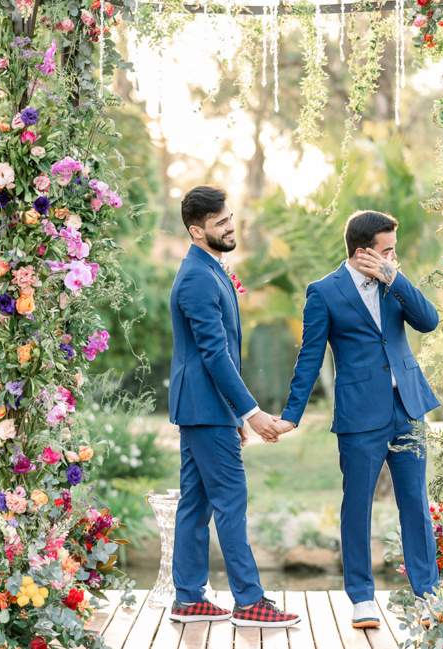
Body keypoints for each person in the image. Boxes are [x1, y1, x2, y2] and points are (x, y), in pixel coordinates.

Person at [276, 210, 441, 628]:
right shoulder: (324, 292)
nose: (393, 257)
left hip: (408, 409)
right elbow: (310, 358)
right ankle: (362, 599)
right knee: (357, 506)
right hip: (359, 417)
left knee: (416, 505)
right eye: (387, 251)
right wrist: (292, 416)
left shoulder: (393, 283)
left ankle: (428, 593)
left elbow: (429, 320)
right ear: (363, 251)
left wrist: (395, 278)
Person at [166, 185, 299, 628]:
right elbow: (214, 353)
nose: (230, 225)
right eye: (220, 222)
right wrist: (250, 412)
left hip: (206, 407)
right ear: (196, 230)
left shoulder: (210, 269)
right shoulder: (198, 277)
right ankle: (250, 601)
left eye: (230, 217)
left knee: (196, 504)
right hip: (204, 406)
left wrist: (229, 412)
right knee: (230, 500)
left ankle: (188, 599)